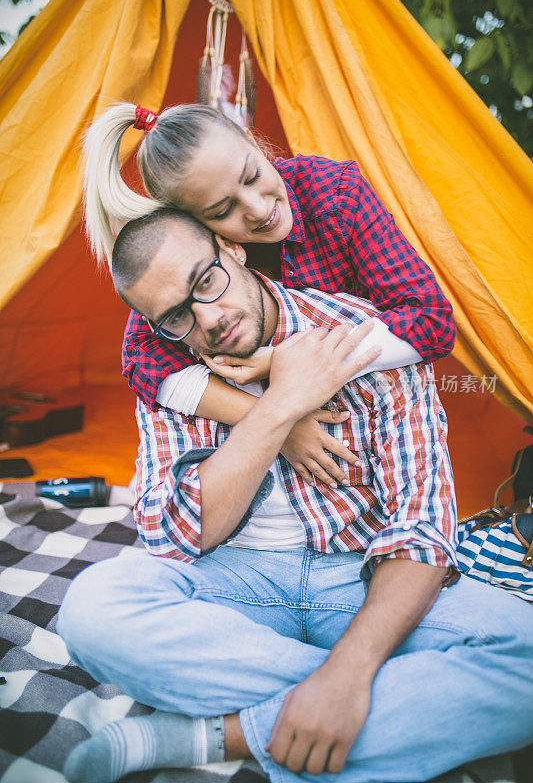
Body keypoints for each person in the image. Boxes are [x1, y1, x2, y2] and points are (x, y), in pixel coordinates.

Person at [57, 208, 533, 783]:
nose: (208, 319)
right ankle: (408, 706)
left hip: (358, 576)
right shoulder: (169, 369)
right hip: (233, 584)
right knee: (92, 610)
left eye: (205, 281)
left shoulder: (363, 337)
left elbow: (422, 526)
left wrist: (349, 672)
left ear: (232, 249)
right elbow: (176, 533)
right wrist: (280, 406)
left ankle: (227, 733)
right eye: (177, 316)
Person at [83, 102, 456, 488]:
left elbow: (431, 321)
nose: (260, 209)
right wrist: (273, 420)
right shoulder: (201, 260)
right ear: (197, 228)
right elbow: (142, 358)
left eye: (252, 175)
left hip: (386, 436)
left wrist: (286, 363)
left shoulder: (335, 195)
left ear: (253, 142)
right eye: (223, 209)